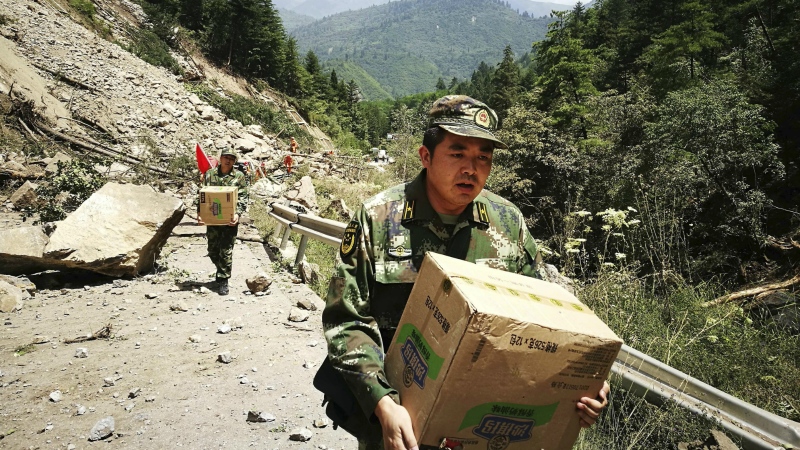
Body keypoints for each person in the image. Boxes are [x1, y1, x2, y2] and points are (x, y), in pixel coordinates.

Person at [320, 95, 610, 450]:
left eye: (483, 157)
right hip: (402, 420)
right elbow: (346, 321)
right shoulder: (379, 219)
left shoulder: (507, 223)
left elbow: (546, 319)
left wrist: (581, 381)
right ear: (426, 157)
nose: (472, 169)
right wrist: (382, 403)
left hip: (483, 425)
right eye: (458, 153)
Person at [197, 149, 248, 296]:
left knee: (225, 250)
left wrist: (238, 214)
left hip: (229, 220)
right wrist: (200, 214)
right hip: (213, 219)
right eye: (226, 157)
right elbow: (202, 195)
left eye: (232, 158)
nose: (228, 160)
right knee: (212, 251)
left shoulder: (239, 176)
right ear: (220, 158)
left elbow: (244, 196)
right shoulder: (210, 174)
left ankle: (223, 279)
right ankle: (221, 271)